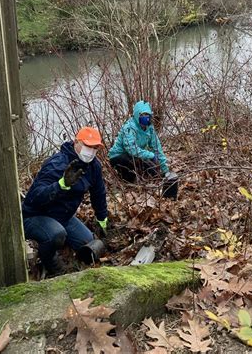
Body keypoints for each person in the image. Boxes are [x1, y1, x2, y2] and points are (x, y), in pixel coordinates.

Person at [22, 127, 108, 275]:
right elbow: (34, 198)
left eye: (95, 148)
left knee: (88, 243)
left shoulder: (94, 166)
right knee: (56, 234)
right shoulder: (56, 164)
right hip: (35, 215)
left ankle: (72, 259)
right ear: (77, 143)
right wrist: (61, 185)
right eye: (88, 146)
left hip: (63, 216)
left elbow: (98, 193)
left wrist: (102, 218)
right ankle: (52, 265)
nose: (91, 152)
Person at [109, 101, 175, 187]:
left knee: (152, 167)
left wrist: (165, 170)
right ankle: (127, 181)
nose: (145, 117)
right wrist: (151, 155)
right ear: (137, 115)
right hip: (118, 156)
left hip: (134, 156)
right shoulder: (129, 128)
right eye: (142, 115)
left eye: (147, 115)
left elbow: (157, 147)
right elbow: (132, 149)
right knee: (134, 166)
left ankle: (155, 181)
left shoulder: (150, 128)